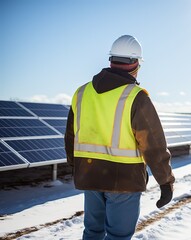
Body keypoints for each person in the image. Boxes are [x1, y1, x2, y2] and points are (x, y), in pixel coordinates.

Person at [64, 35, 175, 240]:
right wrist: (165, 182)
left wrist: (75, 165)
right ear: (136, 64)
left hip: (89, 175)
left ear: (111, 60)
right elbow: (154, 145)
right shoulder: (136, 96)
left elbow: (71, 135)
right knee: (118, 236)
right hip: (124, 181)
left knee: (92, 233)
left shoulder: (81, 93)